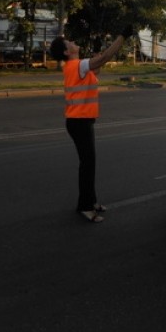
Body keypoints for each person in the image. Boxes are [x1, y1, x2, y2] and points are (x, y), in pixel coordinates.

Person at [50, 24, 134, 224]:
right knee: (87, 165)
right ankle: (85, 207)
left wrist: (101, 52)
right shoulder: (77, 65)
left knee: (89, 164)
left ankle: (91, 201)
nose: (73, 42)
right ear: (66, 51)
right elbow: (104, 58)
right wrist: (122, 35)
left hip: (80, 122)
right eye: (69, 42)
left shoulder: (76, 66)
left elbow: (98, 65)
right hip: (79, 123)